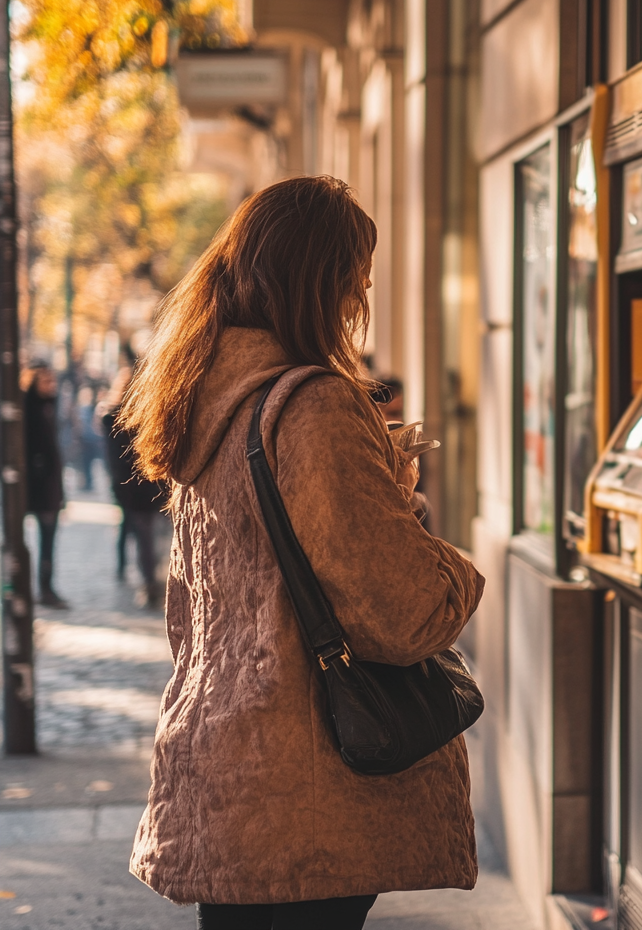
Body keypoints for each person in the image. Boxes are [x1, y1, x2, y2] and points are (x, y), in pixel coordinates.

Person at [118, 176, 484, 930]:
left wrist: (374, 485)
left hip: (227, 765)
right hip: (308, 784)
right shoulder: (313, 405)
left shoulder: (204, 401)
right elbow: (403, 610)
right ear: (321, 284)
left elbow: (193, 614)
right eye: (356, 283)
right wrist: (421, 526)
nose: (359, 302)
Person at [100, 366, 167, 608]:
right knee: (146, 538)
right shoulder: (113, 418)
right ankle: (150, 584)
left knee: (150, 538)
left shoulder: (151, 412)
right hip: (138, 488)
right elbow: (116, 462)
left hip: (153, 486)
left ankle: (153, 583)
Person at [23, 364, 68, 609]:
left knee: (49, 539)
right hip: (31, 486)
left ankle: (46, 588)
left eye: (53, 382)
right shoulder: (27, 409)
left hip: (49, 487)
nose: (51, 387)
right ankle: (25, 587)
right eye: (45, 382)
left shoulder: (51, 406)